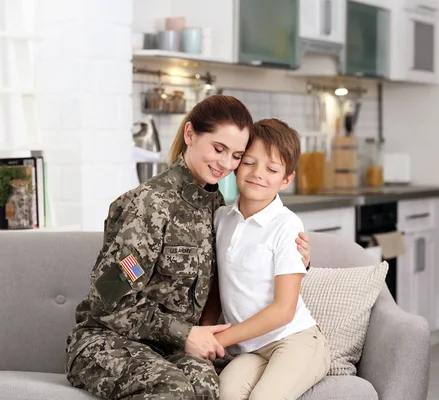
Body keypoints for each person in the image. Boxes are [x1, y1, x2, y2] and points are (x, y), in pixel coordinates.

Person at [65, 95, 311, 400]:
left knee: (208, 387)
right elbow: (107, 296)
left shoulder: (217, 208)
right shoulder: (150, 205)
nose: (225, 163)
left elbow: (241, 266)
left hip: (169, 348)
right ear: (190, 134)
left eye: (235, 155)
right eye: (218, 149)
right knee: (173, 388)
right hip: (107, 341)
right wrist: (184, 334)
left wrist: (298, 257)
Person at [211, 119, 330, 400]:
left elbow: (283, 311)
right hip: (251, 349)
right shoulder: (221, 219)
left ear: (286, 179)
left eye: (272, 169)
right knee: (224, 392)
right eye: (249, 162)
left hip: (296, 341)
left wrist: (218, 341)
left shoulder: (286, 225)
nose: (258, 174)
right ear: (236, 163)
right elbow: (217, 285)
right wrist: (206, 332)